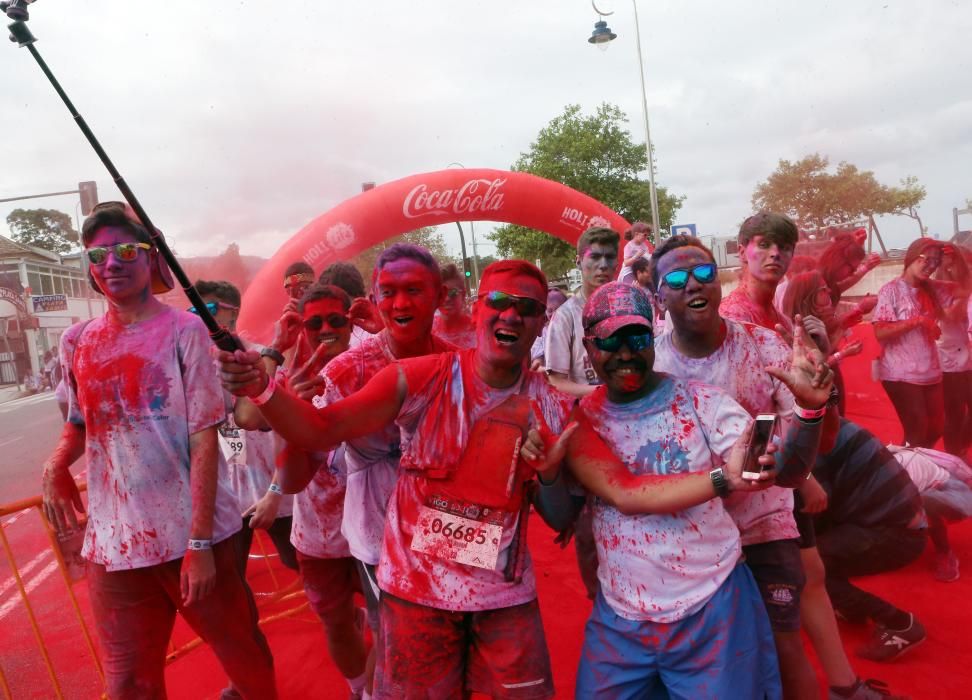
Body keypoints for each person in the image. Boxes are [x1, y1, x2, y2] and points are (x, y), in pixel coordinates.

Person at [41, 204, 276, 699]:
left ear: (152, 260)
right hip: (114, 544)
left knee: (241, 650)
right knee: (128, 682)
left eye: (127, 250)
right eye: (99, 254)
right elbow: (81, 423)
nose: (113, 262)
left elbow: (203, 434)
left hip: (195, 535)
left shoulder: (184, 332)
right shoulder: (75, 341)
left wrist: (199, 545)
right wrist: (57, 463)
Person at [528, 281, 785, 699]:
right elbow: (561, 516)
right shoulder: (580, 423)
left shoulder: (699, 402)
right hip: (621, 618)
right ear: (588, 347)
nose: (625, 354)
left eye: (637, 338)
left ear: (654, 337)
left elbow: (758, 456)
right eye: (610, 341)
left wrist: (805, 420)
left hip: (711, 606)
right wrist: (550, 475)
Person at [649, 237, 852, 700]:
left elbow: (792, 471)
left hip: (764, 526)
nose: (693, 285)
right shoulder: (653, 362)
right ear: (660, 297)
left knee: (785, 646)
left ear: (717, 282)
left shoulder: (763, 347)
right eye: (677, 280)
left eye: (703, 274)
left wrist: (809, 410)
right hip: (690, 533)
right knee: (705, 657)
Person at [719, 218, 897, 700]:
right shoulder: (736, 317)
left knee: (808, 578)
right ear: (742, 251)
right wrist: (798, 481)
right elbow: (747, 411)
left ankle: (841, 682)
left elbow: (796, 398)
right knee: (785, 592)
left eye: (784, 246)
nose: (775, 254)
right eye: (765, 245)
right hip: (761, 473)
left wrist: (826, 351)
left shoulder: (772, 314)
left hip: (782, 463)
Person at [262, 283, 371, 699]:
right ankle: (360, 688)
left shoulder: (374, 364)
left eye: (336, 320)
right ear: (301, 328)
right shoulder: (289, 380)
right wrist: (292, 407)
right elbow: (251, 417)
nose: (326, 329)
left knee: (391, 621)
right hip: (318, 534)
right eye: (315, 323)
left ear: (350, 320)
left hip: (375, 531)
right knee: (336, 622)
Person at [193, 279, 298, 576]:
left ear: (233, 313)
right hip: (231, 497)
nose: (200, 317)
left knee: (299, 563)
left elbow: (289, 432)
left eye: (209, 308)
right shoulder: (197, 369)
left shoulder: (265, 359)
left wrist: (275, 492)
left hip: (276, 492)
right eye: (194, 309)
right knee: (230, 576)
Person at [544, 226, 620, 600]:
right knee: (590, 530)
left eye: (610, 257)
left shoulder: (632, 304)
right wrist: (603, 392)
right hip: (587, 439)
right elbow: (556, 382)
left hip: (630, 433)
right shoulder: (566, 317)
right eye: (596, 257)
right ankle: (600, 607)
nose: (603, 265)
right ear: (580, 261)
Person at [811, 420, 928, 663]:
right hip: (892, 520)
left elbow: (815, 508)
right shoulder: (817, 418)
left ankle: (899, 623)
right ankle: (852, 607)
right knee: (808, 555)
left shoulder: (808, 436)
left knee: (806, 565)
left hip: (896, 532)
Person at [872, 238, 952, 449]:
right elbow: (880, 332)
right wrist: (919, 320)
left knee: (936, 427)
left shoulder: (933, 289)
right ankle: (904, 473)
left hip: (930, 371)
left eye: (936, 262)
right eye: (927, 259)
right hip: (899, 373)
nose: (931, 266)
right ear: (911, 257)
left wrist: (957, 258)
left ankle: (916, 467)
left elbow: (964, 287)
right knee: (917, 429)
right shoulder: (891, 290)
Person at [934, 244, 972, 458]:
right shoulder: (938, 287)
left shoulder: (964, 285)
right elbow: (952, 316)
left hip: (965, 352)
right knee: (955, 411)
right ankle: (954, 455)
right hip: (948, 354)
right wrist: (965, 295)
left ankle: (962, 446)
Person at [319, 261, 384, 347]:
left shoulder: (377, 328)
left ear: (359, 296)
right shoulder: (324, 333)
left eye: (344, 301)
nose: (338, 309)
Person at [432, 262, 476, 348]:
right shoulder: (428, 329)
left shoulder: (477, 332)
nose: (447, 299)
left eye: (453, 293)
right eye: (441, 293)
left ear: (463, 295)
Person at [530, 288, 567, 370]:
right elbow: (539, 357)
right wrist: (538, 365)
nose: (554, 314)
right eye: (550, 310)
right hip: (551, 373)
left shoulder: (575, 329)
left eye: (558, 309)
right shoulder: (543, 333)